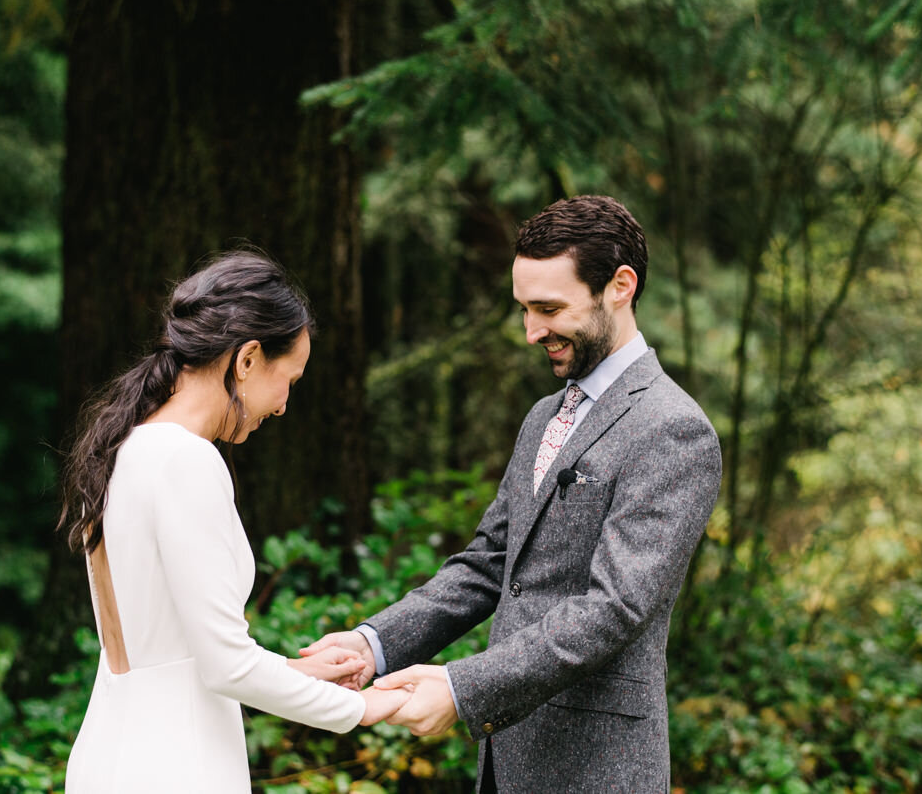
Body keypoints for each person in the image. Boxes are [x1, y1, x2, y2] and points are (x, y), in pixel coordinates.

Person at [304, 196, 722, 792]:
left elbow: (615, 608)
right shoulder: (542, 417)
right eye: (524, 309)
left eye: (549, 308)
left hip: (596, 769)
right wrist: (374, 645)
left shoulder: (673, 428)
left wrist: (461, 686)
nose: (532, 332)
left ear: (620, 286)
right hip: (506, 764)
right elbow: (489, 564)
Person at [60, 251, 408, 793]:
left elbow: (174, 659)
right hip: (176, 766)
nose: (285, 404)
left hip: (110, 755)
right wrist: (363, 707)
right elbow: (226, 668)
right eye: (288, 378)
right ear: (246, 359)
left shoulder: (121, 447)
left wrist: (301, 672)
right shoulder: (186, 460)